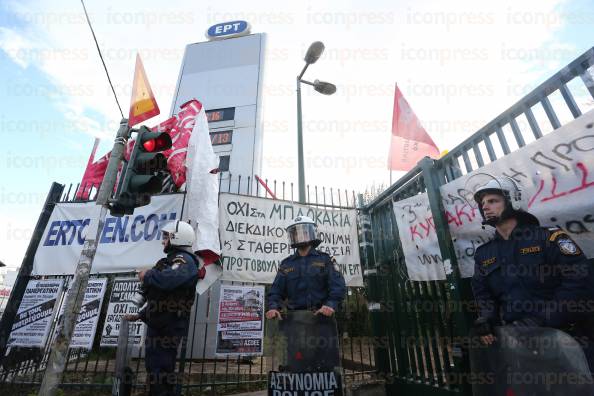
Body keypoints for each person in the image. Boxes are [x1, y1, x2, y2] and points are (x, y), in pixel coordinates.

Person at [470, 177, 594, 366]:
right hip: (518, 345)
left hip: (566, 340)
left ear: (514, 201)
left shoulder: (548, 238)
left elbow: (579, 283)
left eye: (493, 201)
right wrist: (487, 318)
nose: (485, 207)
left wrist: (541, 320)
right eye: (483, 203)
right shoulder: (484, 253)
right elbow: (483, 293)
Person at [125, 220, 205, 396]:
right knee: (156, 369)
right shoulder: (168, 261)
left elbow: (168, 281)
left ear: (177, 237)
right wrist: (141, 314)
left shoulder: (184, 261)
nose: (163, 241)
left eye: (166, 237)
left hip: (168, 325)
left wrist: (148, 274)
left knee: (161, 371)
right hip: (160, 323)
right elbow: (161, 296)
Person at [266, 216, 346, 319]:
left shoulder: (325, 260)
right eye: (295, 233)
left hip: (321, 317)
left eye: (303, 232)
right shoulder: (286, 264)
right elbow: (276, 291)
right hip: (294, 321)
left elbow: (338, 287)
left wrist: (330, 305)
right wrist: (273, 307)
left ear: (311, 233)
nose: (298, 235)